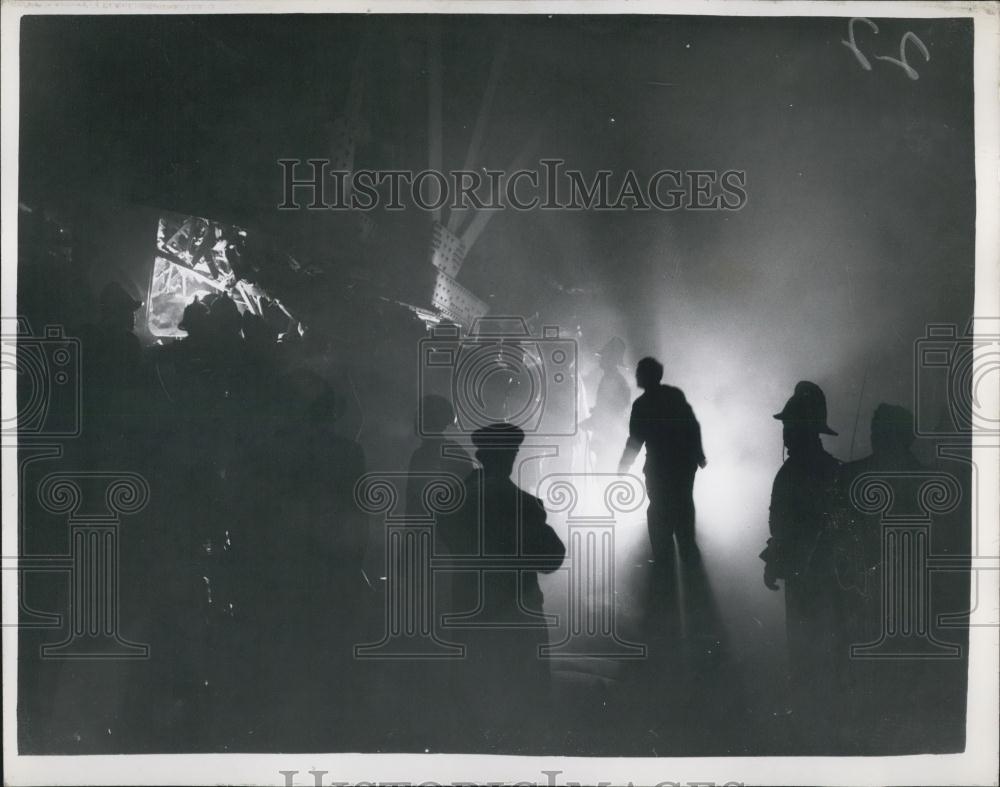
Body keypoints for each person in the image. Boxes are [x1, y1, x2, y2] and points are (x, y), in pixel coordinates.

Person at [437, 423, 566, 746]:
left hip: (470, 614)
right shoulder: (523, 504)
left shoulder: (457, 504)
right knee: (522, 712)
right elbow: (551, 558)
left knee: (471, 711)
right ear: (510, 457)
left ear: (482, 456)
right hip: (516, 619)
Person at [759, 380, 842, 747]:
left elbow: (786, 528)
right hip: (822, 574)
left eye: (791, 426)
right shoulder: (834, 469)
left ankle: (810, 718)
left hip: (809, 574)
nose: (786, 433)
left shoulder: (793, 473)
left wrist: (775, 561)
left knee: (807, 644)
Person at [617, 356, 706, 563]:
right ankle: (688, 555)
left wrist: (624, 465)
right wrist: (698, 454)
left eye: (639, 372)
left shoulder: (641, 405)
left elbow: (635, 440)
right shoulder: (674, 395)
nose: (636, 375)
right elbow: (692, 425)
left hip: (658, 467)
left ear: (647, 376)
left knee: (658, 509)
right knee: (683, 505)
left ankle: (664, 561)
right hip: (683, 465)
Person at [582, 337, 631, 471]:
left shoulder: (615, 381)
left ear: (611, 359)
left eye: (604, 356)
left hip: (610, 441)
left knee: (605, 474)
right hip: (609, 439)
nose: (601, 359)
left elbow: (612, 414)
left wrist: (591, 421)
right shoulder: (612, 380)